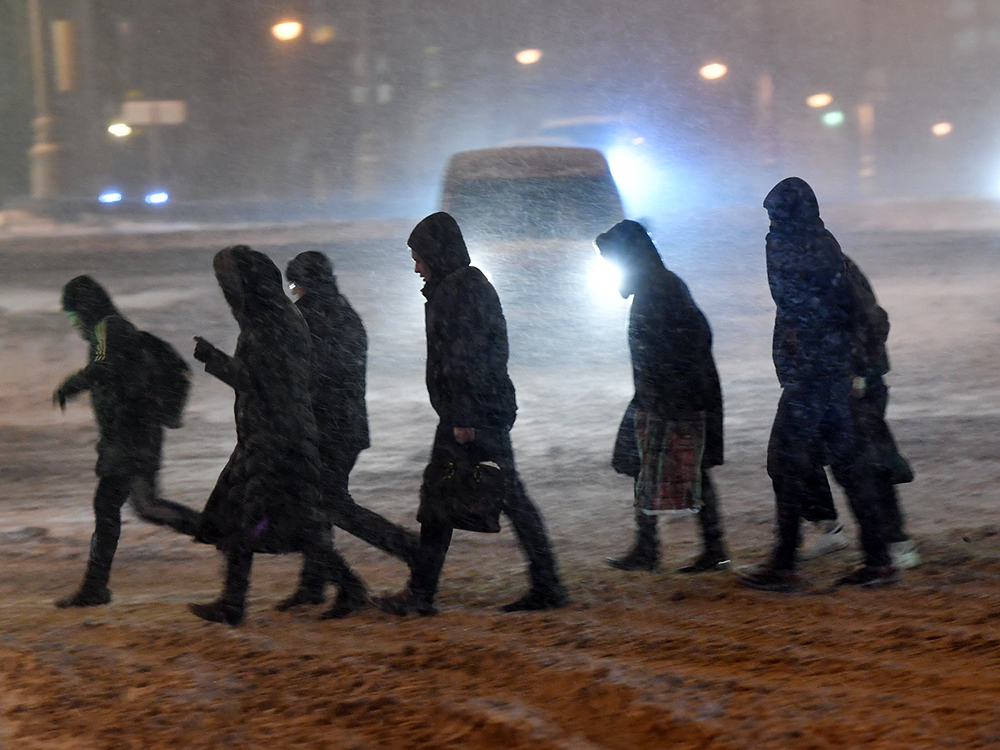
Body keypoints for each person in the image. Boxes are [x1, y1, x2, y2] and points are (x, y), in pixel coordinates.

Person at [373, 212, 567, 615]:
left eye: (419, 257)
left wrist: (463, 417)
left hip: (473, 414)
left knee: (459, 499)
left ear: (437, 254)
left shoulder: (458, 291)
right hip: (481, 408)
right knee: (462, 498)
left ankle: (425, 594)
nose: (416, 267)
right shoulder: (462, 285)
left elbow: (466, 358)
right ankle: (543, 583)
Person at [189, 245, 366, 626]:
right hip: (272, 434)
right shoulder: (279, 316)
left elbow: (261, 383)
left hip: (275, 438)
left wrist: (214, 360)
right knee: (262, 518)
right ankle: (236, 601)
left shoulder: (270, 323)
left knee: (261, 520)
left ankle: (238, 602)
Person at [738, 177, 895, 592]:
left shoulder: (804, 249)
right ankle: (878, 559)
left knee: (786, 462)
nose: (770, 224)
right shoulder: (817, 244)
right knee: (848, 466)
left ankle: (785, 564)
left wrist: (807, 359)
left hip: (813, 377)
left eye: (776, 215)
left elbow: (807, 312)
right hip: (827, 375)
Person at [276, 250, 420, 610]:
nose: (294, 291)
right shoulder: (343, 311)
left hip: (325, 427)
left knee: (327, 505)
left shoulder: (310, 317)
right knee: (320, 504)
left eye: (294, 284)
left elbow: (307, 379)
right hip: (347, 426)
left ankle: (409, 549)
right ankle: (315, 585)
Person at [53, 275, 201, 608]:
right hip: (127, 436)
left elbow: (104, 366)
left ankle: (224, 535)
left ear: (85, 309)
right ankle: (95, 586)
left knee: (143, 506)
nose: (74, 323)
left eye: (73, 314)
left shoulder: (109, 327)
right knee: (123, 507)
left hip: (133, 436)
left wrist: (71, 384)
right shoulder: (111, 329)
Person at [595, 221, 729, 575]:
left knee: (689, 467)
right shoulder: (653, 286)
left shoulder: (662, 288)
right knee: (642, 461)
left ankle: (706, 549)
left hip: (676, 397)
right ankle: (655, 547)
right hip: (658, 395)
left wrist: (672, 393)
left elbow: (694, 341)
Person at [797, 254, 919, 568]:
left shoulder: (829, 265)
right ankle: (829, 526)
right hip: (825, 380)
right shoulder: (802, 265)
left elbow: (873, 321)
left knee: (870, 460)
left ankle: (896, 541)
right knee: (799, 451)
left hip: (854, 383)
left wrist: (859, 373)